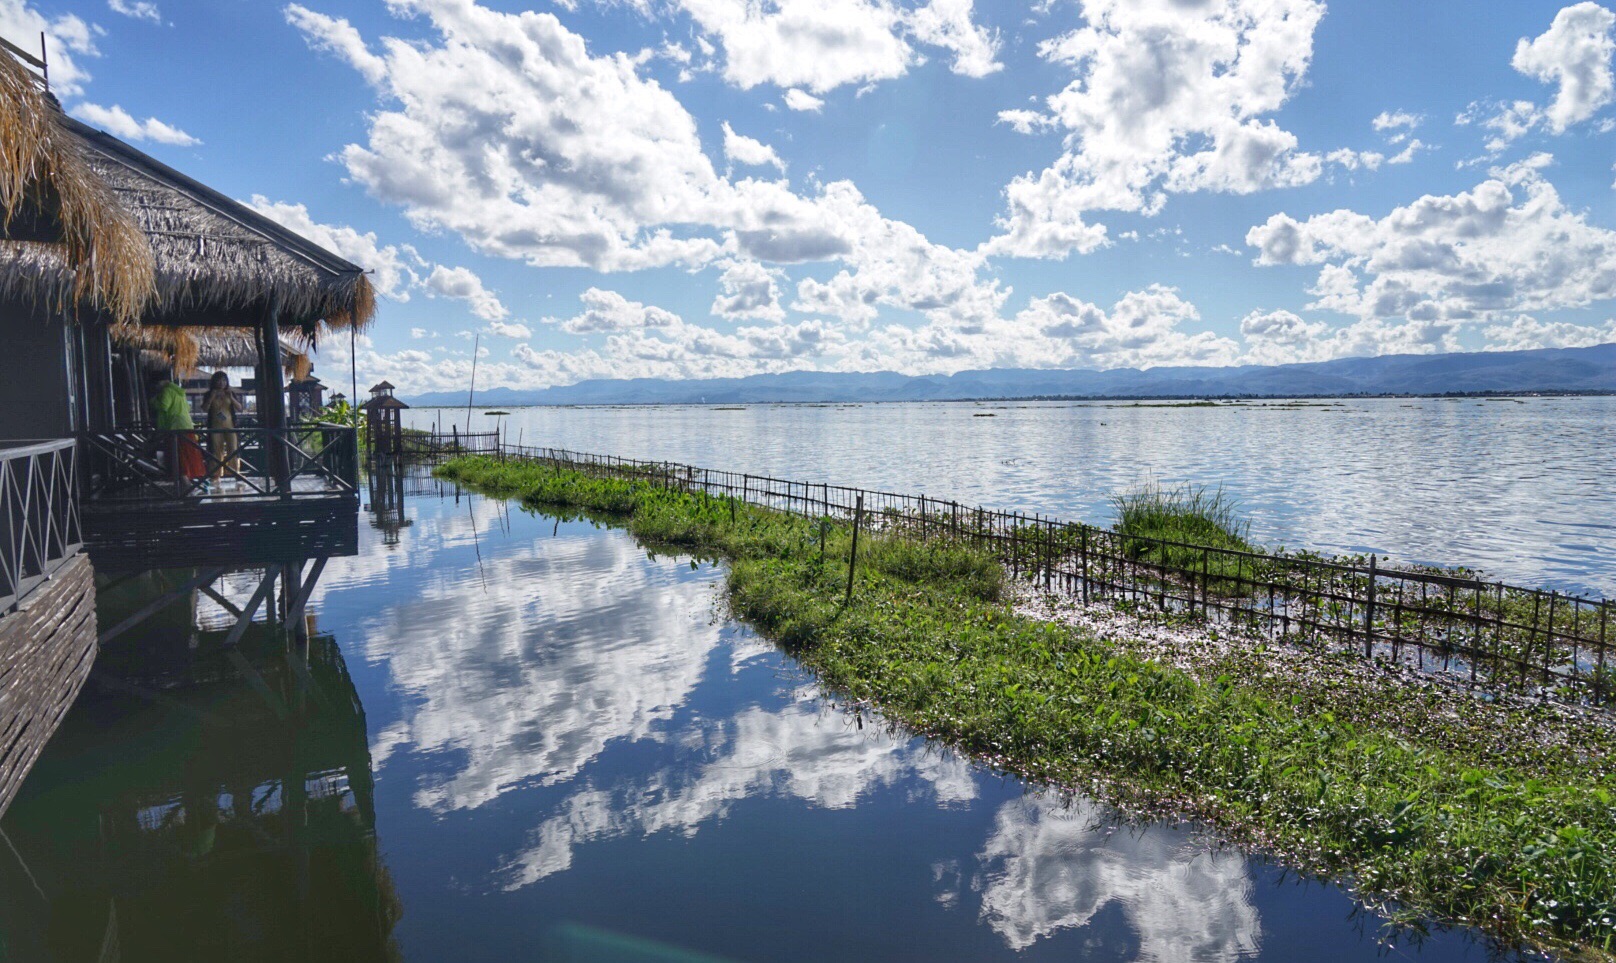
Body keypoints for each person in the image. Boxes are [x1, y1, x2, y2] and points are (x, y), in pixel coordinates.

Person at [150, 375, 206, 490]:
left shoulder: (166, 391)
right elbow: (187, 408)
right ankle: (187, 484)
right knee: (185, 455)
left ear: (162, 381)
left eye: (156, 384)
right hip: (186, 425)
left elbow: (164, 406)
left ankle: (185, 484)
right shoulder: (179, 392)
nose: (156, 387)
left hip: (174, 427)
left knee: (177, 456)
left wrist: (153, 401)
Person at [201, 371, 244, 486]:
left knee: (233, 449)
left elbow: (240, 408)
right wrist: (211, 397)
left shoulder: (230, 393)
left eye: (224, 380)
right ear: (214, 381)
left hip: (230, 426)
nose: (221, 383)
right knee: (216, 450)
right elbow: (205, 409)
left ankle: (235, 472)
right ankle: (215, 474)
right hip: (215, 426)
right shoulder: (209, 393)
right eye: (219, 380)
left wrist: (231, 398)